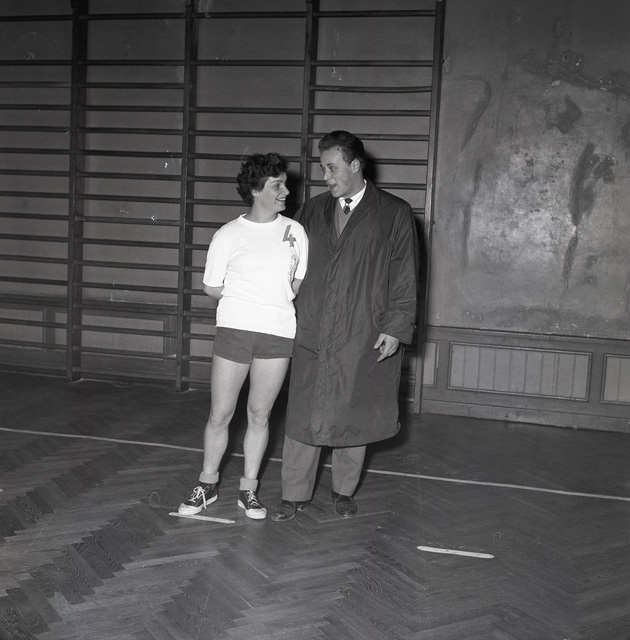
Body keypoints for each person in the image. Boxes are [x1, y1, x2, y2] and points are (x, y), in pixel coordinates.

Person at [271, 130, 418, 522]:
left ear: (355, 165)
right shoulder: (312, 210)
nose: (326, 177)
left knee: (354, 408)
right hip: (313, 326)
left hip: (363, 328)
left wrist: (396, 326)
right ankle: (294, 494)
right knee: (303, 411)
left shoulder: (394, 212)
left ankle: (344, 491)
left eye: (332, 168)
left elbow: (405, 275)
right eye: (323, 169)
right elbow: (286, 262)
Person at [178, 152, 308, 520]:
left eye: (285, 184)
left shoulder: (295, 232)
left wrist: (269, 302)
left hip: (278, 334)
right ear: (255, 190)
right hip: (234, 332)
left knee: (260, 414)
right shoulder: (228, 234)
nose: (285, 191)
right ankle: (207, 485)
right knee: (220, 414)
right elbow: (212, 287)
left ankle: (248, 489)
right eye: (276, 185)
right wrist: (246, 302)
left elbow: (297, 282)